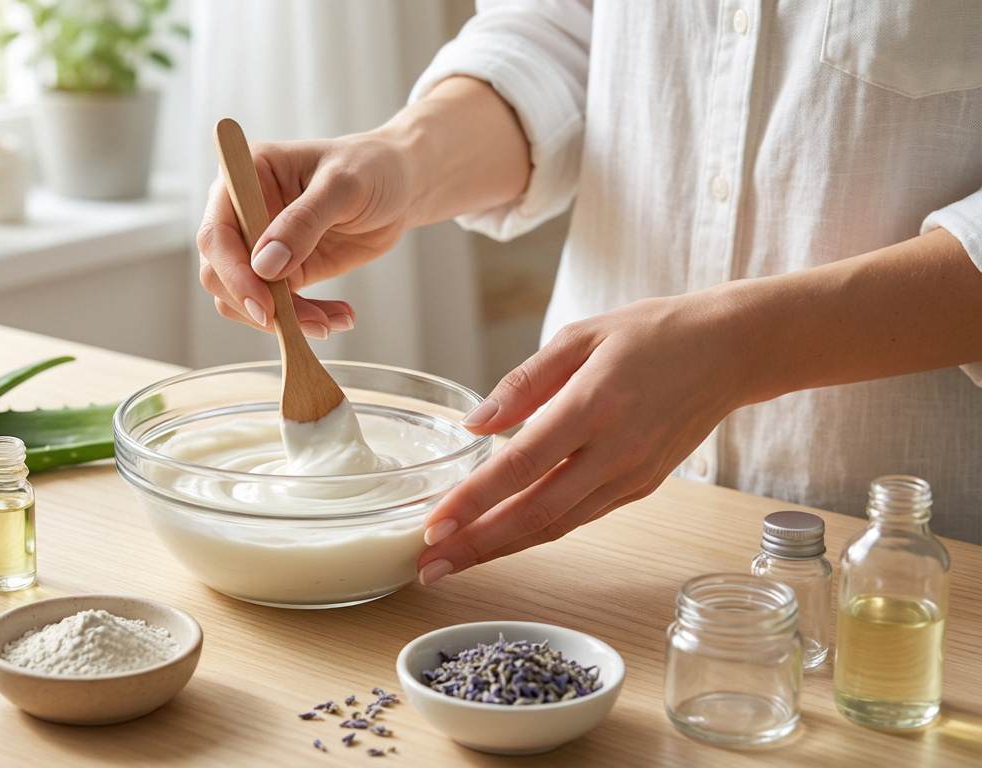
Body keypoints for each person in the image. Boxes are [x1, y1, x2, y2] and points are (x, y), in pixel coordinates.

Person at [195, 1, 982, 585]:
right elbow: (565, 29)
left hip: (914, 558)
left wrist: (745, 346)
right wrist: (406, 159)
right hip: (593, 543)